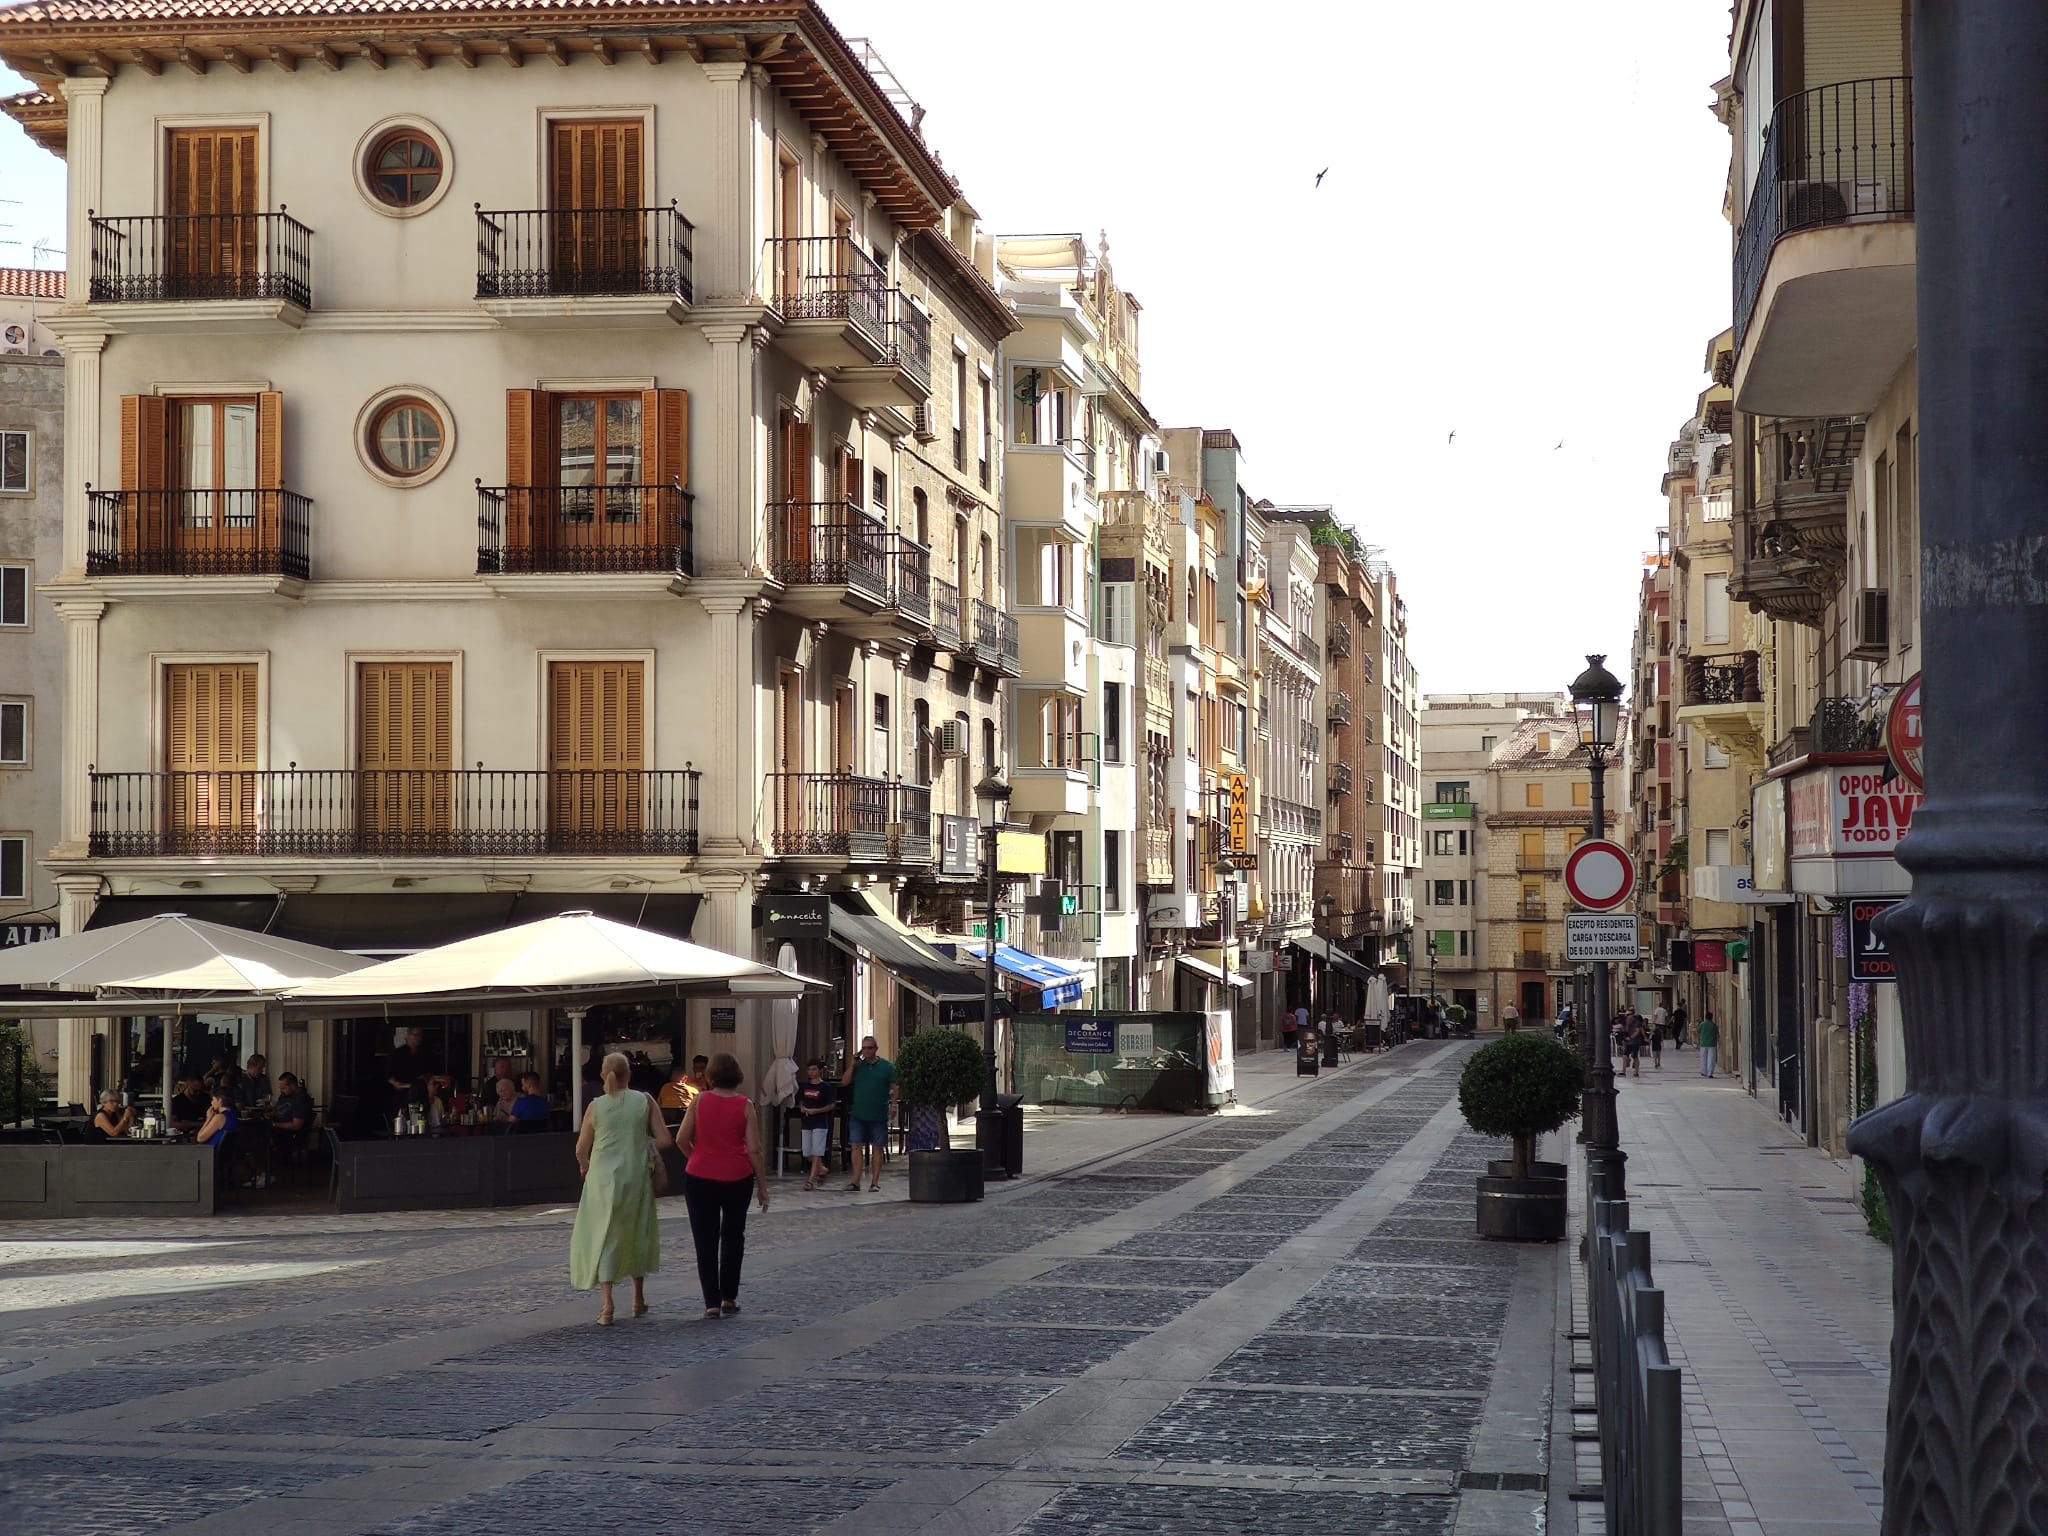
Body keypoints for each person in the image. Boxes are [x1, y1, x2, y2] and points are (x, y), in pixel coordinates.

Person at [569, 1050, 671, 1326]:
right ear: (630, 1074)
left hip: (602, 1180)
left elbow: (581, 1148)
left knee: (605, 1235)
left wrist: (585, 1166)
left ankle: (607, 1305)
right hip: (635, 1176)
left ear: (604, 1075)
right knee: (636, 1231)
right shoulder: (644, 1100)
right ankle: (638, 1299)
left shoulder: (596, 1106)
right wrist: (644, 1146)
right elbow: (665, 1138)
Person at [677, 1051, 769, 1319]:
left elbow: (681, 1138)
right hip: (736, 1177)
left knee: (704, 1241)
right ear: (737, 1075)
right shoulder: (745, 1105)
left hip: (699, 1177)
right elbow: (755, 1149)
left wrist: (696, 1156)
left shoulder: (700, 1100)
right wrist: (763, 1185)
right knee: (733, 1236)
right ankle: (729, 1296)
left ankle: (711, 1303)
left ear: (711, 1075)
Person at [841, 1034, 897, 1193]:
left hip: (878, 1114)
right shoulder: (859, 1066)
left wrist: (893, 1106)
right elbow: (844, 1082)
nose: (866, 1051)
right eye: (864, 1048)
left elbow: (895, 1088)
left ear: (876, 1049)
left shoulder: (887, 1067)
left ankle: (875, 1182)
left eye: (869, 1048)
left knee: (877, 1148)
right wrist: (852, 1065)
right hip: (858, 1113)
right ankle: (855, 1181)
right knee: (856, 1146)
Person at [796, 1059, 838, 1191]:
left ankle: (811, 1180)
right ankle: (822, 1169)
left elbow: (831, 1105)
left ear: (820, 1070)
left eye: (814, 1069)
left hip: (820, 1123)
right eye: (809, 1069)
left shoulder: (825, 1087)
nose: (811, 1072)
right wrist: (802, 1107)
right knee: (807, 1152)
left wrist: (818, 1111)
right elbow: (801, 1101)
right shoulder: (804, 1087)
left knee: (817, 1151)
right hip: (807, 1122)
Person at [385, 1026, 427, 1108]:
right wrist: (396, 1083)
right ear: (408, 1036)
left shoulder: (425, 1053)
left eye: (420, 1035)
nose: (418, 1038)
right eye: (416, 1035)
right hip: (402, 1095)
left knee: (418, 1117)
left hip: (419, 1095)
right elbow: (389, 1074)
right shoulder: (398, 1054)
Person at [1621, 1011, 1647, 1078]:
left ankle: (1636, 1072)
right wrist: (1627, 1024)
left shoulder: (1637, 1022)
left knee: (1635, 1056)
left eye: (1628, 1015)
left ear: (1632, 1015)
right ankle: (1623, 1071)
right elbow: (1625, 1031)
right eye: (1626, 1015)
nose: (1627, 1016)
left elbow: (1638, 1031)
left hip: (1635, 1042)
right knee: (1624, 1056)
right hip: (1629, 1042)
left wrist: (1631, 1037)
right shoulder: (1627, 1022)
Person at [1697, 1012, 1720, 1078]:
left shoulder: (1702, 1024)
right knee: (1711, 1058)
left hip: (1703, 1044)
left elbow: (1698, 1031)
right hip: (1712, 1044)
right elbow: (1717, 1034)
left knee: (1703, 1058)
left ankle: (1704, 1071)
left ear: (1705, 1017)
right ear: (1712, 1017)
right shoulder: (1714, 1025)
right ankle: (1710, 1073)